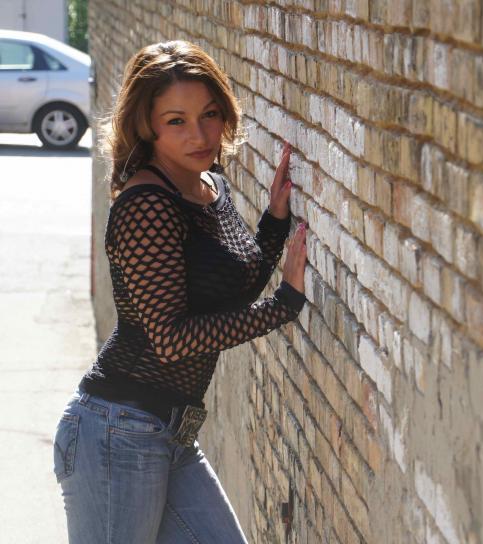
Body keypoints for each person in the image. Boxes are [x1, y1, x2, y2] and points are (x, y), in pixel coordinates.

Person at [51, 40, 307, 543]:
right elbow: (170, 339)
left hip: (170, 430)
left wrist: (276, 222)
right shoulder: (147, 204)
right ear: (146, 126)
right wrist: (283, 306)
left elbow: (230, 292)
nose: (199, 134)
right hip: (117, 431)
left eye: (210, 114)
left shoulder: (206, 184)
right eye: (176, 121)